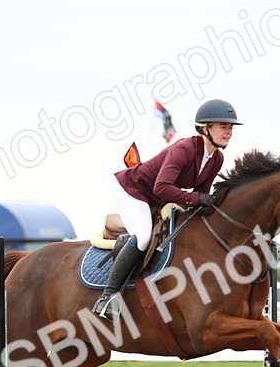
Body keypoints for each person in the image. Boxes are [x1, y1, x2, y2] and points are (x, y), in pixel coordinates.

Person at [92, 98, 242, 318]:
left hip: (158, 199)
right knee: (143, 237)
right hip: (135, 192)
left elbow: (200, 194)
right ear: (205, 128)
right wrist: (197, 198)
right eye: (223, 126)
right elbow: (161, 187)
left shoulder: (216, 158)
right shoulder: (184, 148)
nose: (228, 132)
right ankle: (107, 297)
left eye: (230, 128)